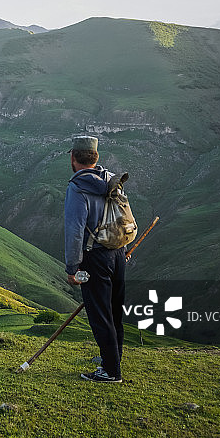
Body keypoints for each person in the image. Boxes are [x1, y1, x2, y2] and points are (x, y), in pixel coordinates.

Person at [64, 135, 126, 383]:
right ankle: (114, 359)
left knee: (100, 315)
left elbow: (75, 230)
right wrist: (121, 248)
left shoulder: (77, 187)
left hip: (95, 257)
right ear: (96, 157)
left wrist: (72, 267)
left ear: (73, 158)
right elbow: (121, 216)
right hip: (118, 253)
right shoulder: (111, 180)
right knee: (114, 312)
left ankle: (110, 371)